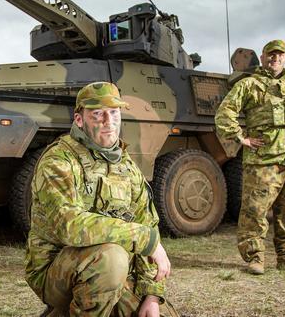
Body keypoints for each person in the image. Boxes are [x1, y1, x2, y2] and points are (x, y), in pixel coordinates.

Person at [25, 82, 179, 317]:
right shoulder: (58, 160)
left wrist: (151, 294)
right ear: (79, 120)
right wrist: (144, 239)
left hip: (114, 272)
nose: (108, 121)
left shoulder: (127, 166)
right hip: (57, 271)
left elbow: (146, 222)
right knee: (111, 258)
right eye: (97, 114)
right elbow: (70, 225)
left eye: (114, 112)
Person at [215, 39, 285, 275]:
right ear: (262, 58)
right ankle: (255, 258)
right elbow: (225, 112)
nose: (275, 58)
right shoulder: (250, 84)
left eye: (280, 55)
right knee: (255, 212)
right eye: (271, 54)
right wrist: (240, 137)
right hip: (263, 162)